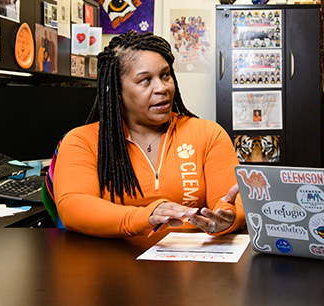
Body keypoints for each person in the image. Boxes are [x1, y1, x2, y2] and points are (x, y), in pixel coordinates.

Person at [53, 31, 245, 241]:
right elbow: (73, 207)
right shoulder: (82, 141)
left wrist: (228, 219)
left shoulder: (208, 134)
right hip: (113, 266)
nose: (162, 88)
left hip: (192, 264)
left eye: (165, 75)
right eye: (145, 80)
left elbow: (231, 203)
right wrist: (148, 215)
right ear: (117, 91)